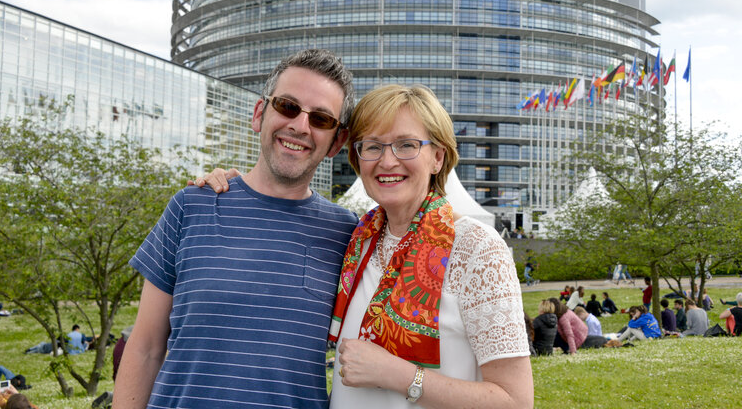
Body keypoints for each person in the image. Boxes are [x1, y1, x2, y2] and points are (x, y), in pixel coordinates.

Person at [112, 49, 359, 409]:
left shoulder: (349, 235)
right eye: (288, 106)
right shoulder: (190, 206)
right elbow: (145, 346)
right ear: (260, 113)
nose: (300, 126)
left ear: (337, 141)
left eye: (320, 119)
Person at [329, 85, 533, 407]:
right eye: (372, 146)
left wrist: (397, 374)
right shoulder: (354, 241)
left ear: (437, 157)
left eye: (406, 145)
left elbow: (515, 401)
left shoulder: (476, 249)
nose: (387, 160)